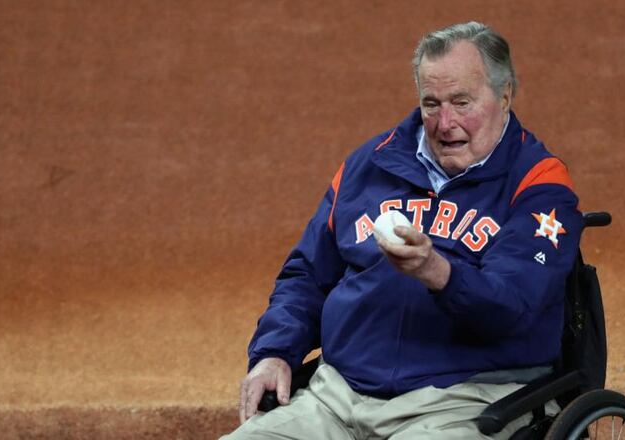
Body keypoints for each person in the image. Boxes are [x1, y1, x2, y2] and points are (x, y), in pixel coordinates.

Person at [220, 21, 583, 440]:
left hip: (463, 400)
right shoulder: (370, 165)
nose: (445, 123)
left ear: (504, 96)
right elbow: (306, 275)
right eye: (432, 103)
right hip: (337, 396)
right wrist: (274, 352)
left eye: (462, 102)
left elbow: (515, 306)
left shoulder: (539, 184)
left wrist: (438, 273)